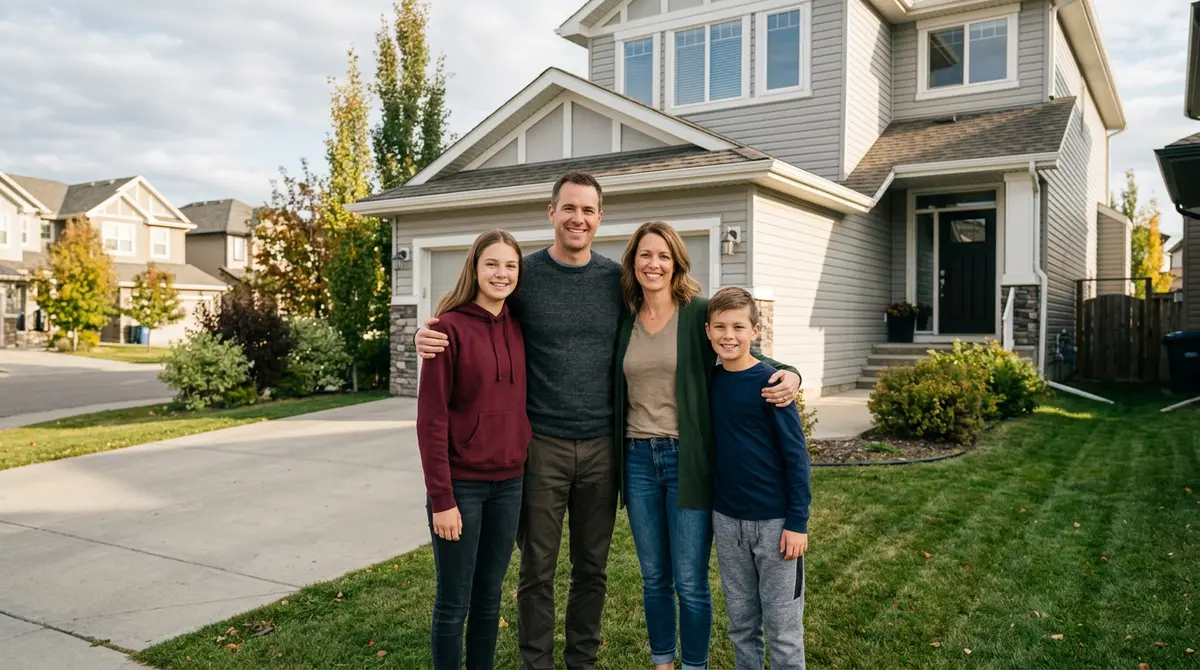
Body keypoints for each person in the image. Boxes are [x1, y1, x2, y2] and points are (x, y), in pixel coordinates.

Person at [414, 172, 800, 670]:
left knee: (591, 568)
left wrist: (786, 372)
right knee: (537, 569)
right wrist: (430, 331)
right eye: (569, 208)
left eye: (588, 210)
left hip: (604, 447)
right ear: (551, 213)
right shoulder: (524, 277)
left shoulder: (616, 283)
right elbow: (478, 305)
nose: (578, 218)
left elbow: (731, 342)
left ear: (600, 218)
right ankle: (538, 663)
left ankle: (582, 661)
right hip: (542, 447)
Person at [613, 222, 800, 670]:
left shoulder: (697, 313)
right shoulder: (624, 318)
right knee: (654, 575)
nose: (653, 264)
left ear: (676, 261)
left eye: (663, 256)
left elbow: (742, 351)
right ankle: (663, 662)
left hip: (688, 460)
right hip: (637, 458)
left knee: (690, 580)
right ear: (633, 263)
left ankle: (694, 665)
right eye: (645, 255)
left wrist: (791, 372)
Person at [416, 229, 531, 670]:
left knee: (489, 597)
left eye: (510, 266)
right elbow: (431, 420)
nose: (502, 274)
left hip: (510, 483)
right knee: (454, 600)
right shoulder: (447, 329)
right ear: (475, 268)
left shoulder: (519, 329)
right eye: (492, 264)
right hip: (461, 487)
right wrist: (442, 499)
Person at [705, 287, 812, 670]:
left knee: (783, 629)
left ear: (755, 330)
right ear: (707, 331)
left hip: (776, 525)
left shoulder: (772, 385)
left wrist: (797, 522)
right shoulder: (710, 382)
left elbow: (796, 458)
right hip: (726, 519)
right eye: (719, 327)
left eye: (738, 327)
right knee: (741, 624)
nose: (728, 335)